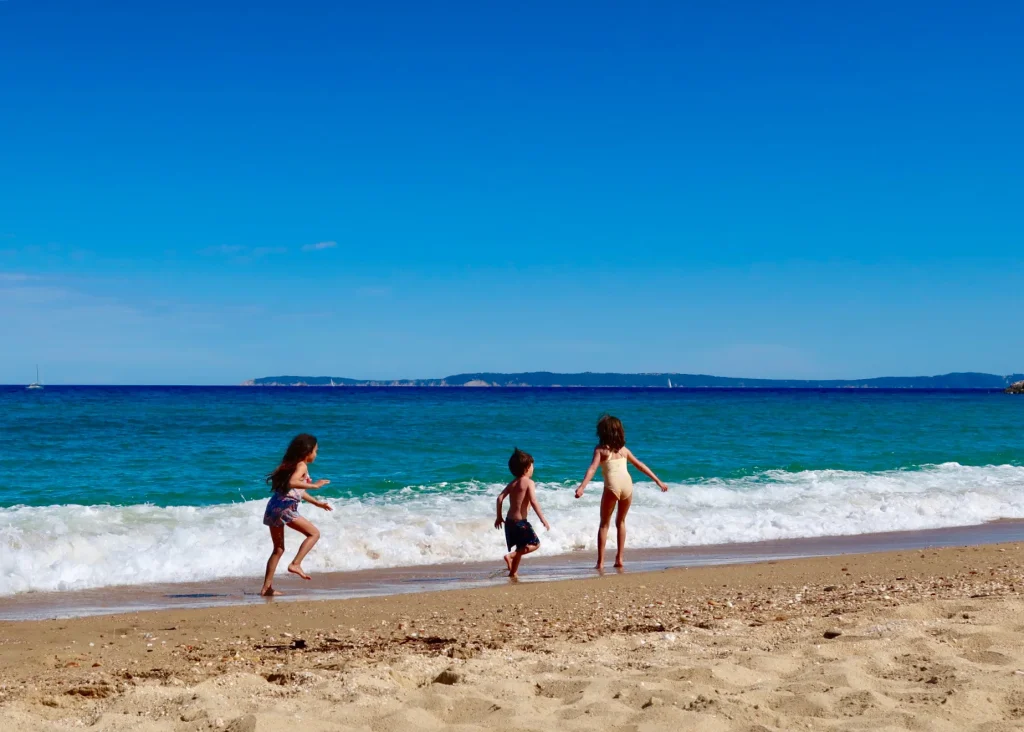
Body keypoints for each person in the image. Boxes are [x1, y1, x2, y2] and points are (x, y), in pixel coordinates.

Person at [575, 415, 668, 569]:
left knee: (604, 524)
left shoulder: (600, 450)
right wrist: (658, 481)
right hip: (627, 485)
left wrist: (582, 487)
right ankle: (619, 558)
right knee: (621, 522)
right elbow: (640, 465)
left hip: (612, 486)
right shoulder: (624, 450)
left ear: (602, 432)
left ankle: (600, 562)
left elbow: (592, 469)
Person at [260, 433, 333, 596]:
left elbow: (297, 490)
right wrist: (315, 486)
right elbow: (292, 483)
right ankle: (296, 564)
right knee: (314, 533)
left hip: (273, 507)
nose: (316, 454)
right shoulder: (301, 466)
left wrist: (317, 503)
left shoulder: (290, 464)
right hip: (285, 508)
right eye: (316, 451)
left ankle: (266, 588)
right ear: (307, 452)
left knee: (278, 549)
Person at [495, 448, 550, 577]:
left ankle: (513, 573)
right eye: (532, 466)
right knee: (535, 544)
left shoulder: (513, 483)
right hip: (520, 522)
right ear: (526, 468)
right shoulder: (529, 482)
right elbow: (534, 501)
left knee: (520, 546)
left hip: (509, 522)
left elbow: (499, 498)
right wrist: (543, 519)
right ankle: (510, 556)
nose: (533, 469)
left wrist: (499, 517)